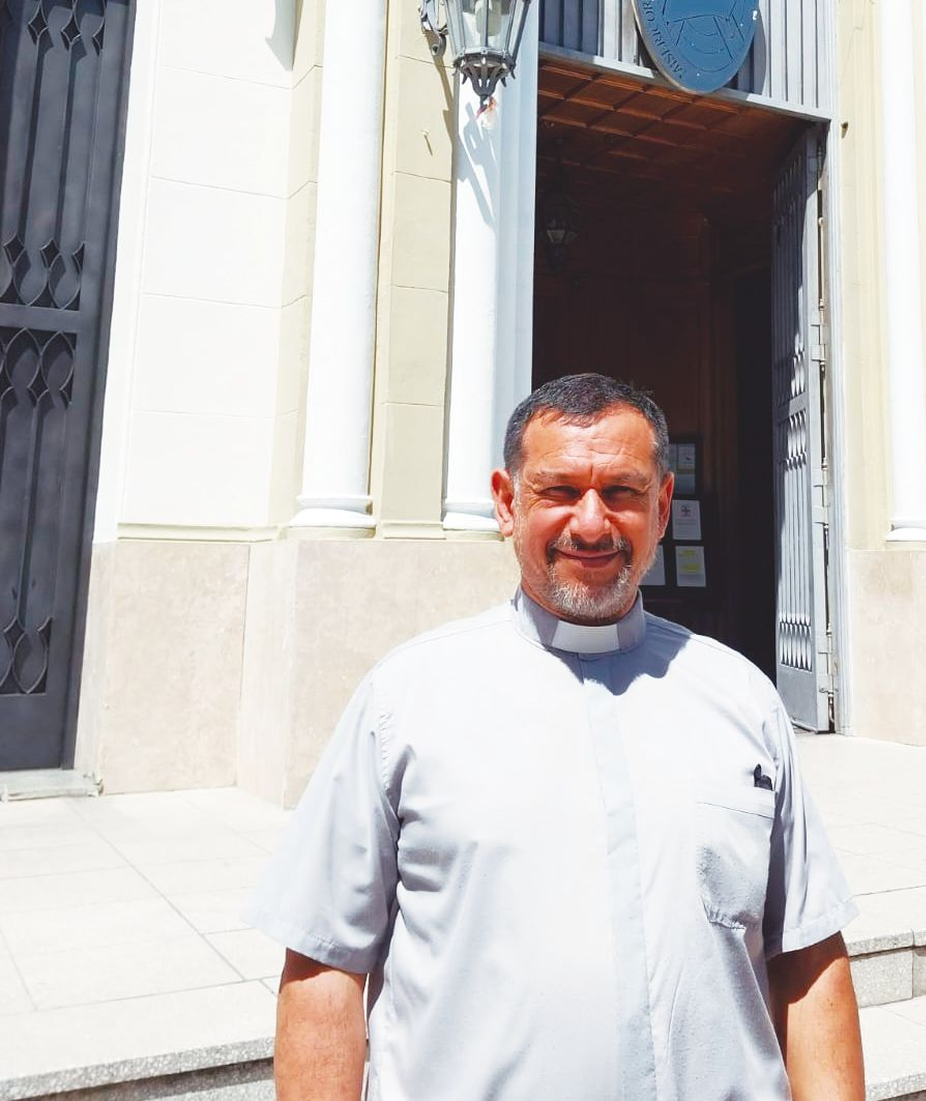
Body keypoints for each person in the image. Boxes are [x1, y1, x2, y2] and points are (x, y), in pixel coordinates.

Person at [246, 373, 864, 1101]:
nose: (594, 523)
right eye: (561, 491)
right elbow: (324, 967)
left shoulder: (741, 700)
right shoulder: (405, 702)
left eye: (624, 492)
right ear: (507, 503)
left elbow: (809, 956)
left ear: (663, 506)